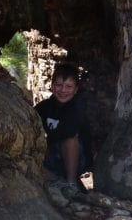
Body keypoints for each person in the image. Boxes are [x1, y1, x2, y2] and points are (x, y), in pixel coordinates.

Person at [35, 62, 92, 190]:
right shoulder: (44, 107)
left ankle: (71, 184)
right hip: (53, 159)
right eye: (59, 85)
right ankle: (57, 181)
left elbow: (69, 132)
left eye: (68, 86)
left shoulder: (78, 108)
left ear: (76, 89)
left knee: (70, 139)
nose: (63, 90)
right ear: (52, 85)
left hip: (78, 163)